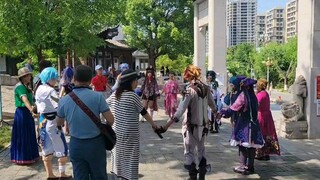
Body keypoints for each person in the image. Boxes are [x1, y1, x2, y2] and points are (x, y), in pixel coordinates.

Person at [56, 65, 114, 180]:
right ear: (90, 80)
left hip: (76, 144)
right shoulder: (98, 97)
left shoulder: (64, 100)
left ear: (74, 79)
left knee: (80, 176)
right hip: (95, 144)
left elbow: (59, 122)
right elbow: (111, 120)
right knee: (99, 176)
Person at [159, 65, 216, 180]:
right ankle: (202, 177)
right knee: (201, 150)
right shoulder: (206, 88)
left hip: (191, 127)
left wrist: (166, 126)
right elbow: (213, 105)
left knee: (189, 152)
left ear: (188, 76)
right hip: (204, 127)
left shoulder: (189, 91)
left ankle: (193, 178)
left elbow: (180, 111)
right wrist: (218, 114)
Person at [107, 69, 159, 180]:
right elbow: (144, 112)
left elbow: (104, 104)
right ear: (129, 82)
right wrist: (153, 125)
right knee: (130, 159)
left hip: (116, 133)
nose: (137, 83)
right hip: (130, 134)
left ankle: (119, 176)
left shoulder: (115, 95)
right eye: (135, 80)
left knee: (118, 157)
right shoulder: (132, 96)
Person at [220, 77, 264, 175]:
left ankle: (243, 166)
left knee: (243, 145)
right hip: (254, 125)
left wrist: (223, 113)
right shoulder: (253, 96)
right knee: (252, 146)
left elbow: (233, 108)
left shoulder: (243, 96)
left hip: (244, 124)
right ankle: (251, 166)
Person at [35, 67, 72, 180]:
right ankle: (62, 174)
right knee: (61, 147)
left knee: (46, 148)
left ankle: (49, 174)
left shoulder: (39, 89)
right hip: (53, 121)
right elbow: (58, 106)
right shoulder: (50, 91)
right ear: (49, 78)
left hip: (42, 121)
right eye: (54, 78)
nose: (55, 80)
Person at [11, 67, 39, 165]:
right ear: (23, 77)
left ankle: (30, 155)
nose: (30, 77)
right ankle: (23, 157)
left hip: (27, 113)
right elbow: (24, 99)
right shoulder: (20, 87)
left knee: (29, 133)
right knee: (23, 134)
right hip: (22, 113)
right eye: (28, 75)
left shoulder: (26, 86)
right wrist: (31, 109)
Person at [255, 79, 280, 160]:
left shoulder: (259, 95)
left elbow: (256, 106)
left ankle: (260, 154)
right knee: (267, 134)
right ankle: (267, 153)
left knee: (261, 134)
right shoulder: (266, 94)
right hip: (268, 116)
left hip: (261, 116)